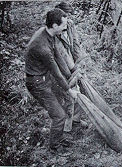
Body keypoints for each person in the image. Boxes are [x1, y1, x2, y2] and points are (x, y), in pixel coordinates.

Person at [25, 8, 79, 155]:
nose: (66, 28)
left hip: (44, 76)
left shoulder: (49, 33)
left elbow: (59, 57)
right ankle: (55, 147)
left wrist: (72, 74)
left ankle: (59, 137)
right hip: (37, 84)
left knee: (61, 105)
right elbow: (56, 71)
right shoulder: (42, 47)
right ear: (54, 26)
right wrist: (69, 90)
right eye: (63, 25)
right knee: (59, 115)